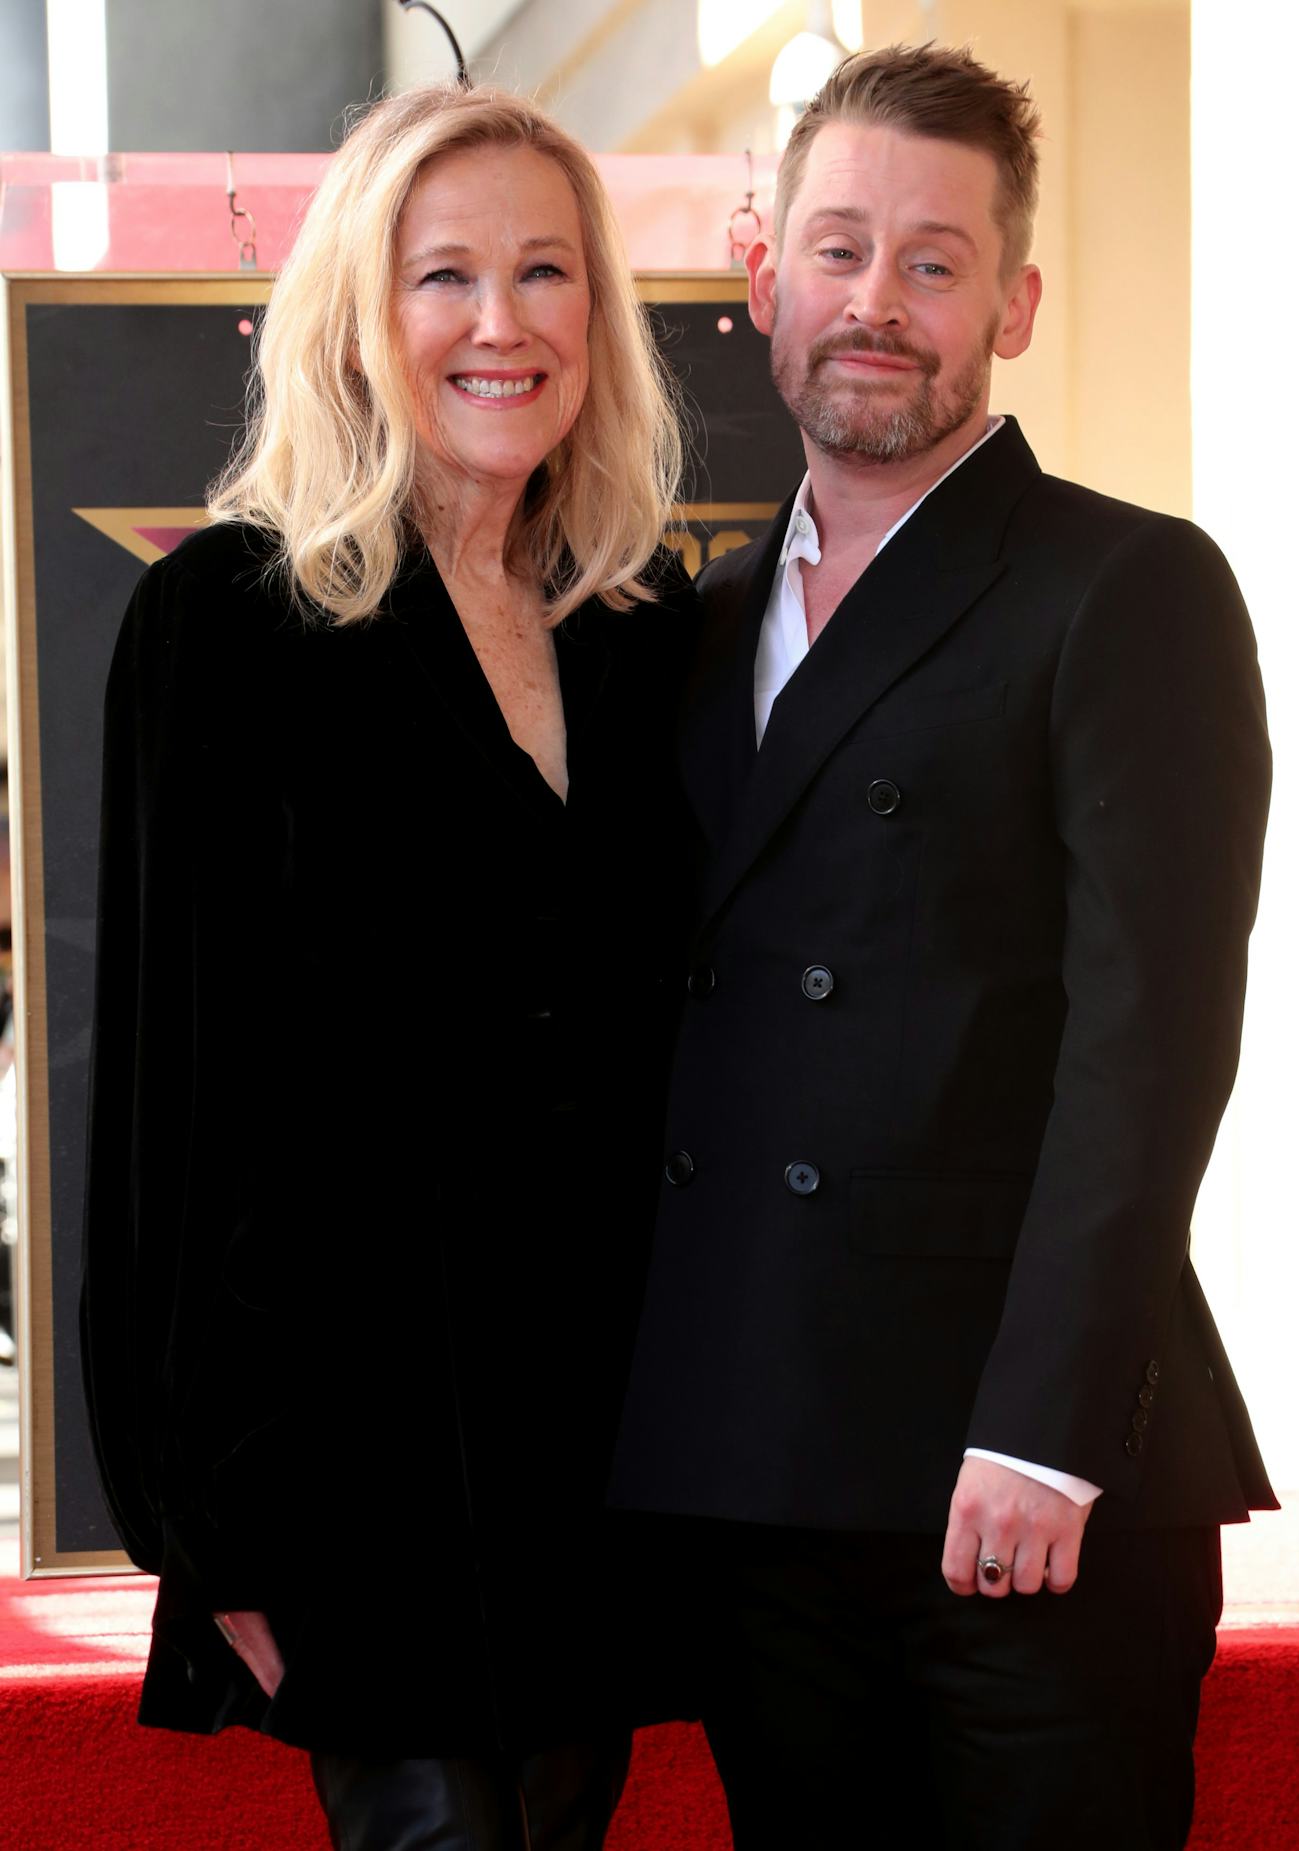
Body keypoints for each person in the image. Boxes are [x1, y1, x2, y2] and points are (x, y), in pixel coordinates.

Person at [608, 42, 1274, 1851]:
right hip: (762, 1479)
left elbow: (1151, 1045)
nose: (876, 304)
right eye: (839, 250)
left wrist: (1048, 1431)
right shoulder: (693, 622)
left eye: (934, 261)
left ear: (1015, 306)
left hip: (1032, 1487)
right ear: (764, 278)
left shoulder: (1124, 586)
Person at [80, 81, 698, 1851]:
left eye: (546, 272)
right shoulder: (226, 623)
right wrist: (203, 1522)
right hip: (347, 1466)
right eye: (446, 277)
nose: (503, 323)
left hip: (602, 1453)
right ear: (361, 315)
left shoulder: (643, 629)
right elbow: (169, 1102)